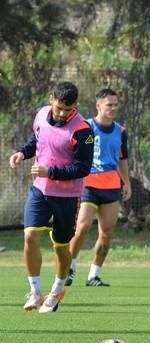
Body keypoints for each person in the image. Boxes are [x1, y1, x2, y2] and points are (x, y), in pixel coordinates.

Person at [9, 81, 93, 313]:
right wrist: (22, 153)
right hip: (40, 190)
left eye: (68, 109)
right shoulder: (41, 115)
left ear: (75, 105)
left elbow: (83, 168)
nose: (62, 113)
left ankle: (57, 289)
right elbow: (37, 141)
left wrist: (51, 172)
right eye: (58, 108)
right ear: (51, 100)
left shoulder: (83, 130)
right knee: (29, 237)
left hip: (67, 197)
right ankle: (35, 291)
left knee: (60, 247)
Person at [66, 88, 131, 287]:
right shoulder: (87, 128)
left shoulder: (120, 131)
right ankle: (69, 268)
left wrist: (126, 182)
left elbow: (122, 159)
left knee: (107, 232)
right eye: (109, 104)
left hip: (111, 186)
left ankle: (94, 275)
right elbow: (74, 151)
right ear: (98, 106)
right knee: (82, 227)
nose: (113, 108)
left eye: (115, 105)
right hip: (88, 184)